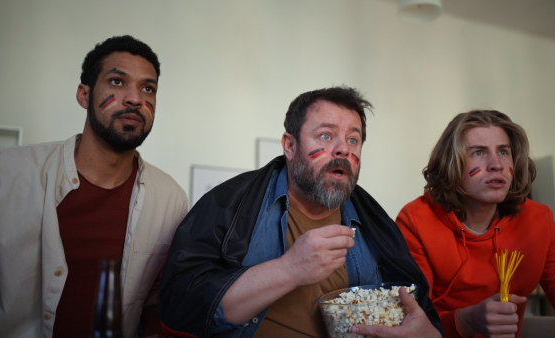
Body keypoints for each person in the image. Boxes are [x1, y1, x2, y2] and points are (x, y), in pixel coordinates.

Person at [158, 86, 443, 338]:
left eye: (353, 140)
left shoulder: (377, 223)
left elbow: (417, 316)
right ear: (290, 146)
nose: (343, 149)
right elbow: (181, 306)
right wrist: (289, 269)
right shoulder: (226, 203)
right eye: (326, 135)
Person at [0, 35, 188, 338]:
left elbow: (158, 296)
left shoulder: (171, 199)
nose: (135, 99)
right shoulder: (7, 172)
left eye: (147, 88)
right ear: (84, 95)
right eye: (117, 82)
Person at [396, 109, 555, 338]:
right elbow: (411, 325)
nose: (496, 164)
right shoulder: (415, 221)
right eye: (479, 152)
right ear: (451, 163)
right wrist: (466, 321)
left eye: (503, 151)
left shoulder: (539, 219)